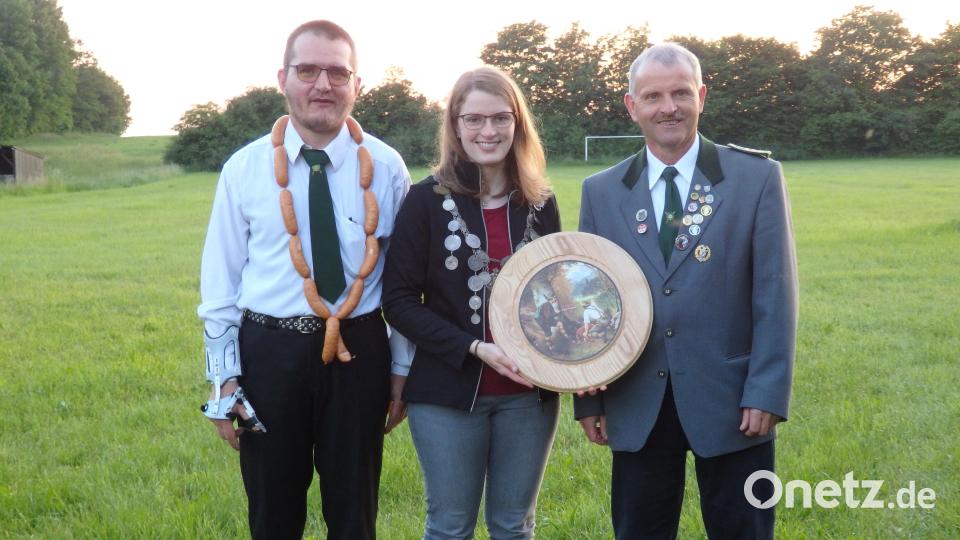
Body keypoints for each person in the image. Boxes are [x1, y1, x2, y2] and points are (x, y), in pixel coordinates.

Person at [197, 20, 412, 540]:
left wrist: (402, 368)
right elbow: (219, 286)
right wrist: (224, 382)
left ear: (357, 85)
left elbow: (406, 283)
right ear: (283, 78)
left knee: (355, 511)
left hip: (360, 353)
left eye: (338, 72)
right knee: (272, 511)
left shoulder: (386, 167)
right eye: (308, 69)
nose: (323, 84)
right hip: (269, 354)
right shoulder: (244, 169)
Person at [574, 42, 798, 539]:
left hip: (735, 401)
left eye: (680, 93)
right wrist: (590, 400)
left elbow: (775, 295)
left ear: (701, 95)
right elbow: (594, 299)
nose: (668, 107)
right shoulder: (602, 190)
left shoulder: (755, 178)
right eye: (653, 96)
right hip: (637, 399)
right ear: (632, 107)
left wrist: (767, 391)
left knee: (744, 530)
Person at [382, 66, 561, 540]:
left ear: (517, 123)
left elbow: (557, 292)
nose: (488, 131)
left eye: (501, 118)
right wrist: (475, 348)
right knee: (449, 527)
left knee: (514, 526)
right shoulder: (424, 200)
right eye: (474, 119)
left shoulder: (541, 203)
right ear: (456, 125)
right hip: (447, 395)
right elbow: (398, 301)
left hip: (529, 395)